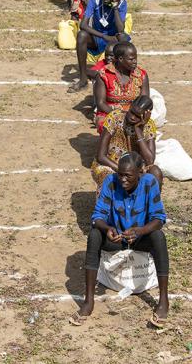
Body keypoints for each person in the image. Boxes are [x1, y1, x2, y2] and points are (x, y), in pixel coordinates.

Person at [70, 151, 169, 328]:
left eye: (128, 176)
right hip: (117, 239)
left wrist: (140, 231)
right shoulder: (110, 182)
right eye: (120, 174)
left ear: (140, 173)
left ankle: (163, 301)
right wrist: (107, 228)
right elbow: (97, 215)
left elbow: (159, 218)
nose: (122, 179)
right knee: (94, 235)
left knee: (158, 237)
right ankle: (89, 301)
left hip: (140, 238)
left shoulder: (149, 183)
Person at [91, 95, 161, 190]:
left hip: (135, 170)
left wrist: (138, 130)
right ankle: (110, 203)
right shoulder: (115, 117)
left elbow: (149, 161)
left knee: (155, 172)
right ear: (130, 106)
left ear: (146, 115)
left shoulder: (149, 126)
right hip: (111, 165)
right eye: (132, 112)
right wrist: (123, 172)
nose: (132, 117)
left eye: (137, 116)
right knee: (109, 178)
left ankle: (150, 204)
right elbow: (101, 156)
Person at [69, 0, 127, 93]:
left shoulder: (122, 4)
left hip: (113, 39)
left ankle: (118, 79)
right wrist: (103, 36)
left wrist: (115, 7)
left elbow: (120, 30)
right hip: (98, 37)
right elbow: (83, 25)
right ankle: (83, 80)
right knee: (81, 35)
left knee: (123, 39)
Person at [93, 41, 149, 130]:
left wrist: (133, 116)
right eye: (131, 59)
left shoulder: (141, 75)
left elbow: (145, 101)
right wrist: (121, 115)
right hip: (109, 113)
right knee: (106, 124)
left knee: (148, 126)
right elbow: (101, 103)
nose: (135, 62)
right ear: (120, 59)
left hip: (134, 114)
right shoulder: (103, 74)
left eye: (135, 58)